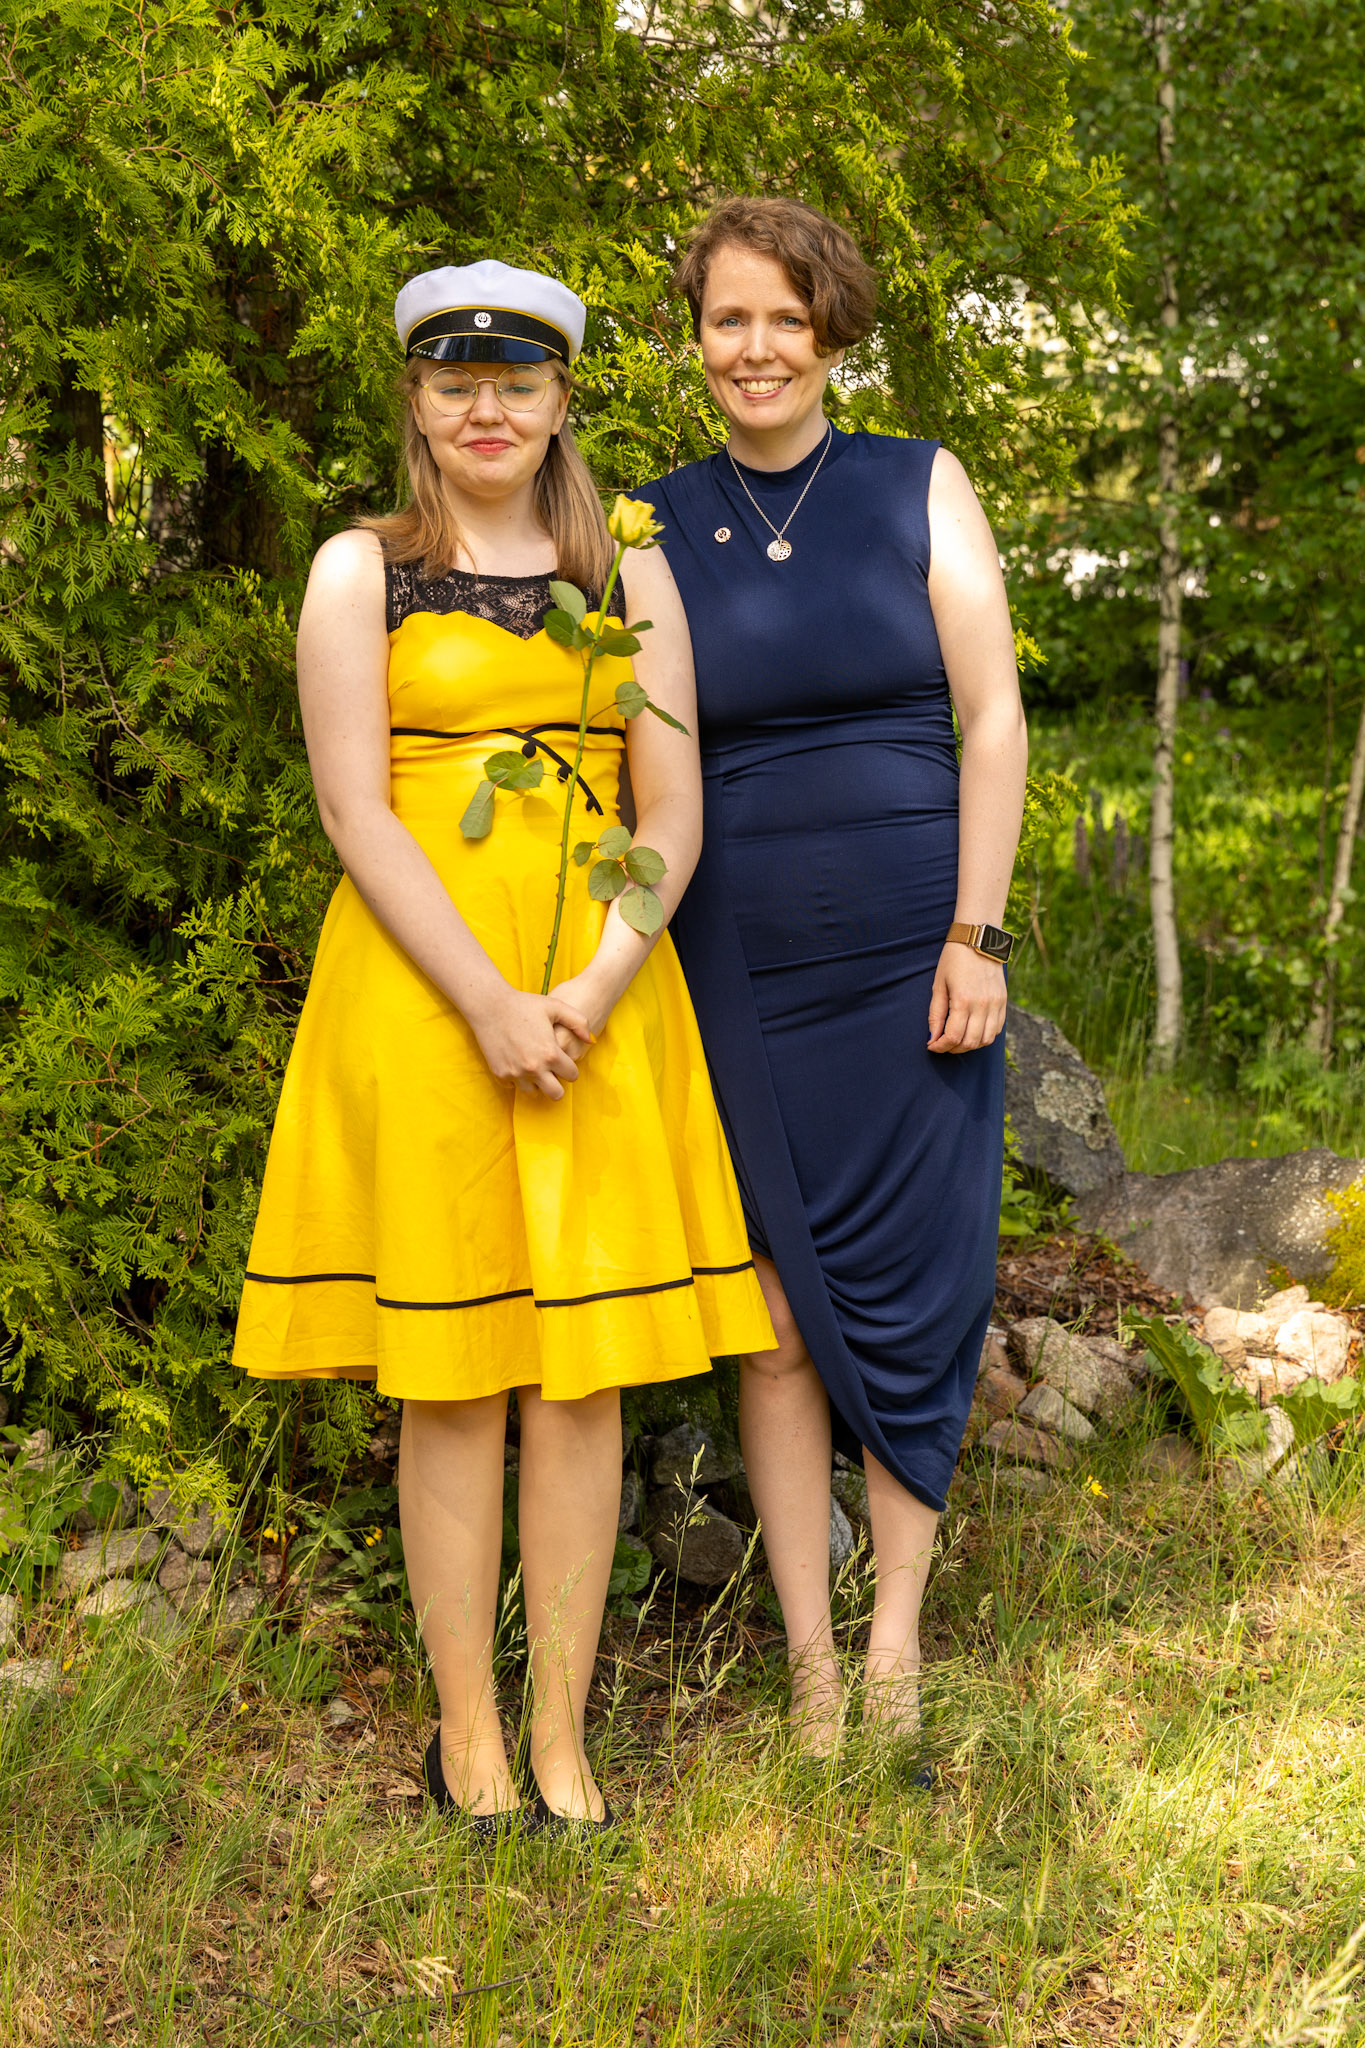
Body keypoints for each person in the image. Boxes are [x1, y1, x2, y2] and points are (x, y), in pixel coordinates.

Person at [233, 259, 773, 1831]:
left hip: (600, 1002)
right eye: (456, 383)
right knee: (457, 1381)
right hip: (426, 1004)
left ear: (557, 402)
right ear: (417, 399)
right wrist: (485, 1002)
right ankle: (465, 1730)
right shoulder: (363, 571)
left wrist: (595, 988)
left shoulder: (629, 571)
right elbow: (356, 810)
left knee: (582, 1384)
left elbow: (672, 810)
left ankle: (560, 1734)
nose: (487, 410)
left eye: (516, 385)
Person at [643, 199, 1027, 1754]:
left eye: (782, 319)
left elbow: (989, 718)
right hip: (741, 972)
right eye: (727, 319)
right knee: (779, 1314)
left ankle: (894, 1652)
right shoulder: (649, 525)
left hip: (920, 961)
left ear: (830, 331)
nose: (755, 348)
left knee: (921, 1298)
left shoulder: (918, 483)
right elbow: (654, 776)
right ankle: (809, 1669)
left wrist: (976, 934)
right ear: (696, 337)